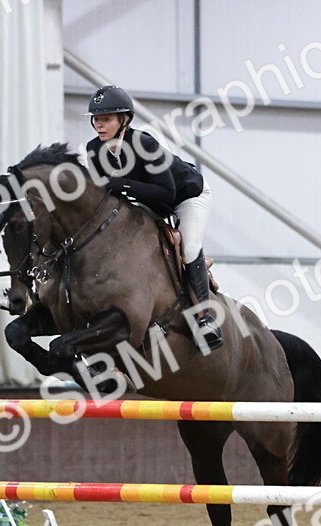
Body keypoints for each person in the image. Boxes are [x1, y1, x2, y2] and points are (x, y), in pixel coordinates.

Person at [83, 85, 222, 350]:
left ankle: (205, 319)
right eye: (96, 119)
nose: (99, 125)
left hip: (186, 196)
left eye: (106, 119)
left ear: (125, 120)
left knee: (190, 246)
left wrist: (122, 185)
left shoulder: (144, 143)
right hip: (147, 201)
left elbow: (167, 192)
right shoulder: (94, 149)